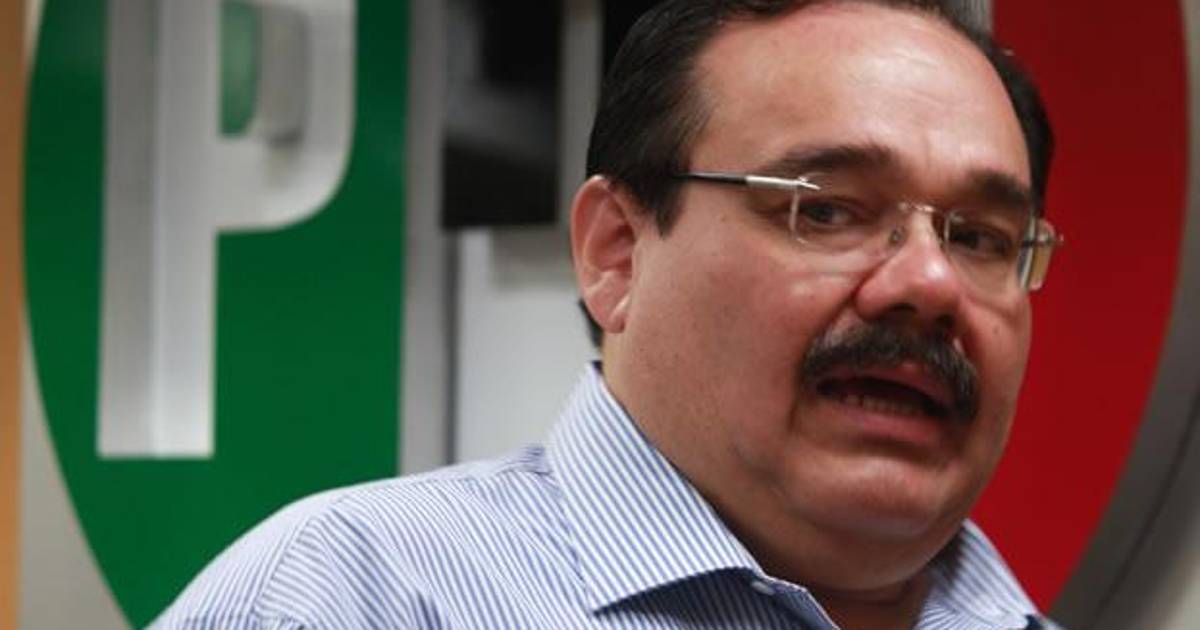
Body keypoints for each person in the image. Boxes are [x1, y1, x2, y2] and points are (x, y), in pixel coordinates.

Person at [153, 0, 1064, 627]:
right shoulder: (349, 599)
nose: (929, 282)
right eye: (825, 210)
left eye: (980, 238)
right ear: (616, 253)